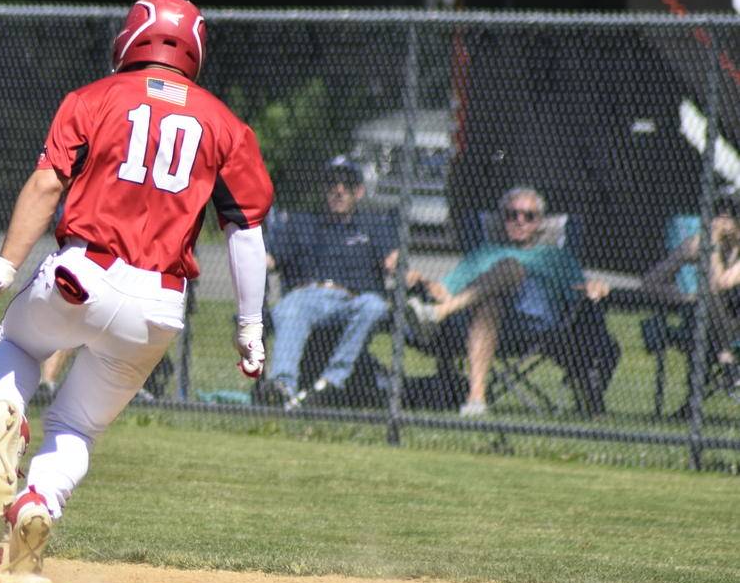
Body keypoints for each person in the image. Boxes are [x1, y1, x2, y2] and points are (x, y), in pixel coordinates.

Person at [0, 0, 274, 574]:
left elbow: (46, 186)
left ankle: (5, 411)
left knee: (16, 344)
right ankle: (39, 501)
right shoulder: (226, 125)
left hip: (81, 274)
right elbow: (246, 232)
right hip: (159, 304)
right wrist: (250, 326)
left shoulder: (94, 98)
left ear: (132, 38)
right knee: (78, 424)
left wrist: (3, 269)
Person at [406, 187, 612, 417]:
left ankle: (437, 314)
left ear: (540, 222)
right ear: (501, 218)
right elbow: (445, 290)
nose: (519, 221)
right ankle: (476, 399)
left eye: (528, 216)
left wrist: (597, 285)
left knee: (511, 267)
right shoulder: (484, 253)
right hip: (487, 328)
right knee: (491, 302)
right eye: (511, 215)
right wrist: (421, 279)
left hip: (535, 326)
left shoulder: (556, 257)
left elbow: (580, 292)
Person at [254, 156, 399, 409]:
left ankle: (332, 381)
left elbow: (395, 263)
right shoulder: (302, 223)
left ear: (360, 191)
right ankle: (282, 387)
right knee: (289, 308)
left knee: (375, 305)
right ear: (323, 189)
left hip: (350, 301)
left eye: (347, 184)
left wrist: (409, 273)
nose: (339, 190)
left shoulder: (374, 226)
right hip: (303, 298)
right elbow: (267, 260)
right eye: (332, 183)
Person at [640, 194, 740, 391]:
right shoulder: (699, 244)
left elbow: (719, 283)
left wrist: (712, 245)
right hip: (703, 321)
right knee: (703, 303)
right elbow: (650, 285)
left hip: (736, 322)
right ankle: (726, 363)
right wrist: (689, 298)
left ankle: (725, 361)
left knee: (707, 298)